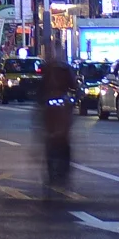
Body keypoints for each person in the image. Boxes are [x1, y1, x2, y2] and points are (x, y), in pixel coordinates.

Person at [30, 51, 81, 191]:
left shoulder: (66, 70)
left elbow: (75, 88)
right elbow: (40, 91)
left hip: (63, 106)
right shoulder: (47, 72)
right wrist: (41, 101)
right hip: (49, 107)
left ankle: (65, 167)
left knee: (65, 136)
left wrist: (74, 99)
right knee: (48, 135)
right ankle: (50, 169)